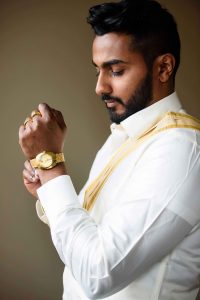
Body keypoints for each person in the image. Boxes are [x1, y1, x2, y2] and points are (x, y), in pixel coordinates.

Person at [19, 0, 200, 299]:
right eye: (97, 71)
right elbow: (90, 238)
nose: (100, 87)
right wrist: (48, 191)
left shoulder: (182, 150)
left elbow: (97, 272)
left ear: (164, 68)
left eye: (115, 70)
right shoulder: (127, 135)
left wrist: (51, 167)